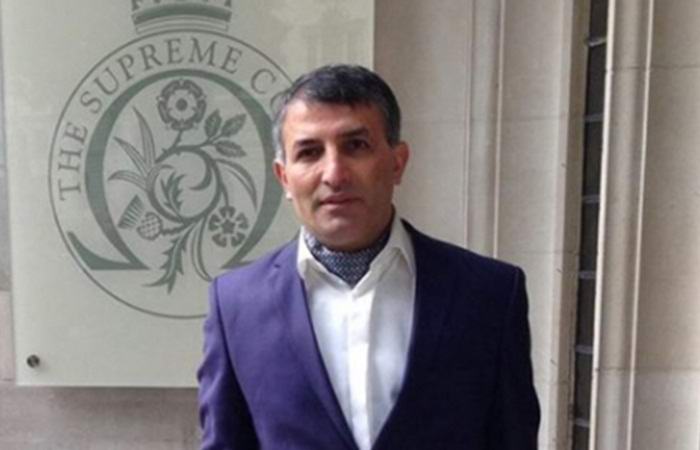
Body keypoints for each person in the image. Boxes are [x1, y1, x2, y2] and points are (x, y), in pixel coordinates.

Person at [198, 64, 540, 450]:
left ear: (397, 163)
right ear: (284, 178)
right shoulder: (236, 305)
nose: (334, 174)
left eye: (355, 146)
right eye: (309, 152)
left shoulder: (489, 295)